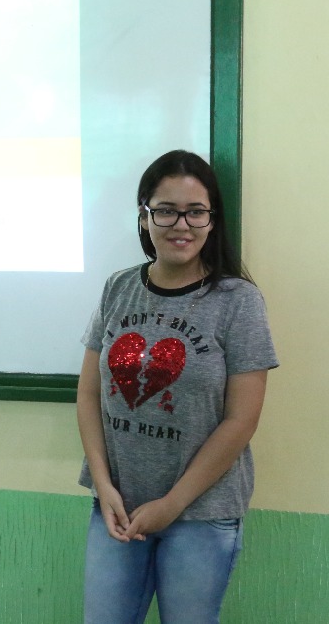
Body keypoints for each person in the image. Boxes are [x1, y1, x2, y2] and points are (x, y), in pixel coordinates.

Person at [76, 150, 278, 623]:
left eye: (195, 212)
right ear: (144, 216)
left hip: (201, 514)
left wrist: (172, 504)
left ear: (212, 220)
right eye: (165, 210)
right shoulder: (118, 288)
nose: (180, 225)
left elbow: (241, 421)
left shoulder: (238, 301)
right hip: (116, 507)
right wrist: (103, 485)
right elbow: (88, 394)